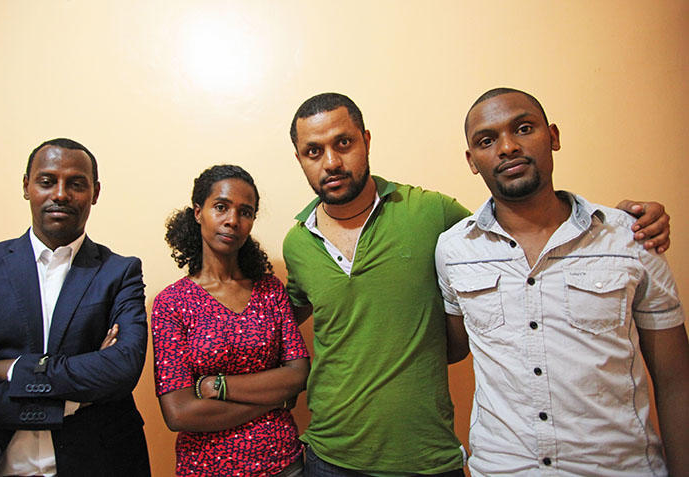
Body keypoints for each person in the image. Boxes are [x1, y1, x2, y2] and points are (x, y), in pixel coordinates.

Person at [282, 92, 673, 477]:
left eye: (344, 143)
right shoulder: (297, 243)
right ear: (299, 159)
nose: (332, 162)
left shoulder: (431, 213)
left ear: (366, 140)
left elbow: (513, 227)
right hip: (329, 455)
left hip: (427, 458)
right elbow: (278, 320)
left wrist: (624, 222)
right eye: (314, 151)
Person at [435, 87, 688, 476]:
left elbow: (676, 382)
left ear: (552, 136)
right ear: (472, 160)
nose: (507, 148)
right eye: (487, 140)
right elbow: (455, 346)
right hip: (504, 469)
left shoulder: (630, 237)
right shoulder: (454, 249)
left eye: (523, 128)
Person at [0, 138, 150, 476]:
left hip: (96, 463)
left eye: (76, 184)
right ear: (27, 186)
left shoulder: (120, 272)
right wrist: (71, 401)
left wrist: (10, 369)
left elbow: (122, 367)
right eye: (47, 181)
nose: (61, 194)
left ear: (95, 193)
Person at [152, 164, 310, 477]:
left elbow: (298, 374)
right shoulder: (171, 303)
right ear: (198, 212)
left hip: (284, 464)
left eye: (245, 212)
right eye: (221, 207)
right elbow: (180, 413)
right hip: (206, 468)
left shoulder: (270, 289)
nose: (232, 221)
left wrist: (218, 385)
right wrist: (272, 400)